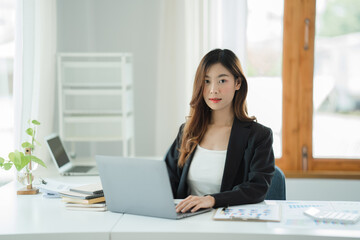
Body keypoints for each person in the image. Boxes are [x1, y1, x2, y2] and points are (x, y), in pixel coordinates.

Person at [164, 49, 275, 213]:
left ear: (237, 83)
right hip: (186, 221)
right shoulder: (188, 131)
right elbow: (166, 178)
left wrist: (212, 200)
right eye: (207, 81)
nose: (213, 90)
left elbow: (257, 188)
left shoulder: (259, 136)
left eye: (222, 81)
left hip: (229, 222)